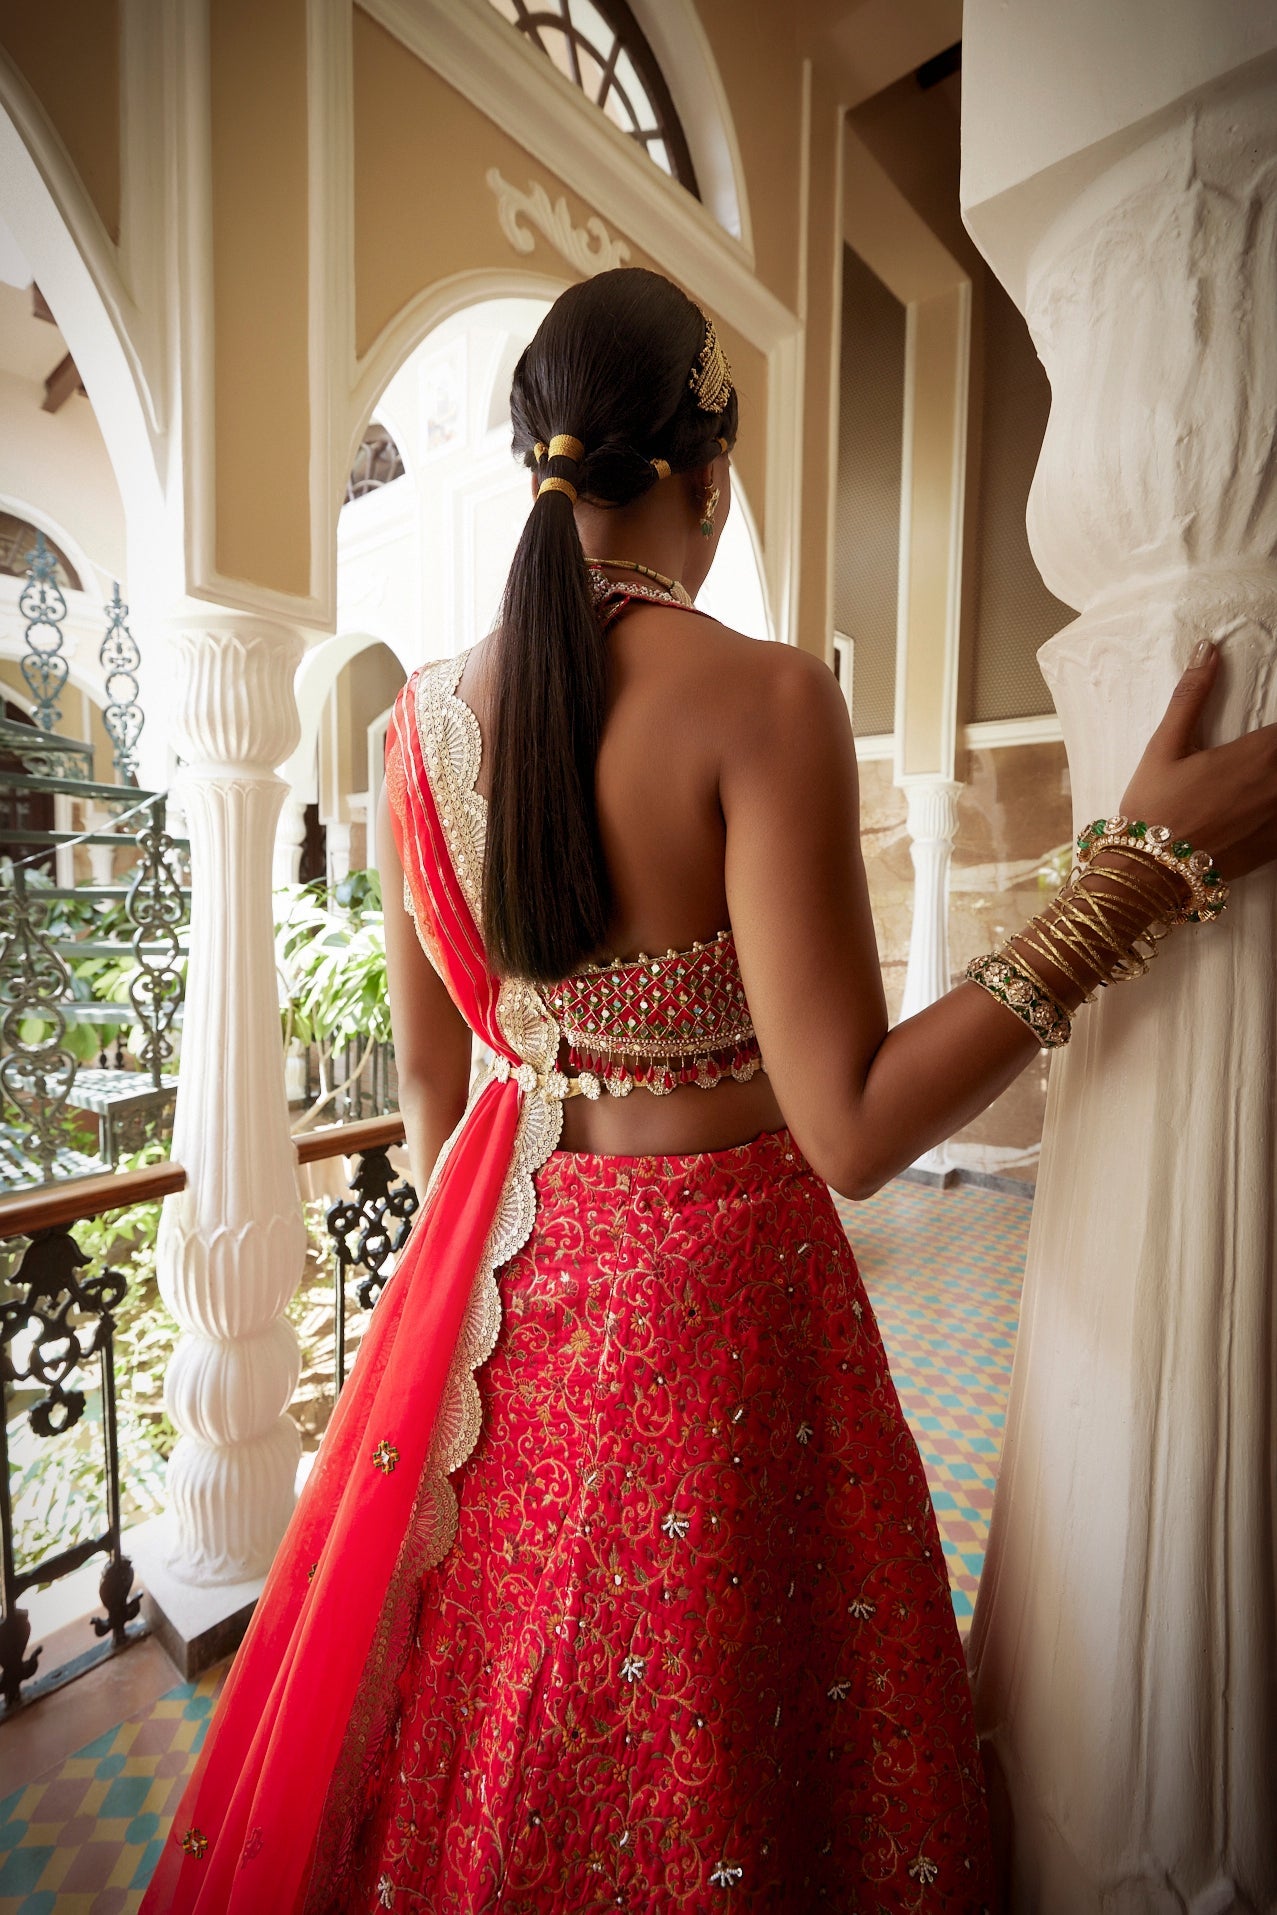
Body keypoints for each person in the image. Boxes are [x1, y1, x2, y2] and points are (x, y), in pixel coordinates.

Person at [141, 267, 1277, 1915]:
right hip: (722, 1310)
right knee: (723, 1744)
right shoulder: (760, 695)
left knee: (521, 1742)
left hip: (510, 1303)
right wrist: (1136, 879)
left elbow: (426, 1079)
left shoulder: (408, 737)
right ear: (709, 474)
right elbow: (856, 1127)